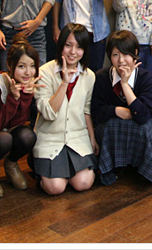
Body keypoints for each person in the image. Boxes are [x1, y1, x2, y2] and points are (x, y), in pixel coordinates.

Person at [32, 23, 99, 195]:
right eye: (68, 45)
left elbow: (86, 111)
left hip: (77, 138)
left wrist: (92, 138)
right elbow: (48, 113)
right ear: (61, 45)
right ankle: (47, 171)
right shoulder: (44, 72)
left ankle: (65, 170)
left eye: (79, 47)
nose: (73, 52)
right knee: (55, 188)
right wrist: (64, 83)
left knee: (83, 183)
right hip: (50, 138)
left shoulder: (89, 76)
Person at [0, 33, 41, 198]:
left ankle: (11, 164)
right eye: (22, 66)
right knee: (3, 138)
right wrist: (13, 98)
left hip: (5, 131)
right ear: (10, 65)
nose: (28, 72)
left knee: (27, 135)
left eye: (32, 66)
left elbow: (17, 123)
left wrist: (24, 96)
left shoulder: (25, 85)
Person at [91, 30, 152, 185]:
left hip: (142, 126)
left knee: (144, 129)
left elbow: (143, 116)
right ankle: (112, 168)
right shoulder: (101, 77)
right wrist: (116, 111)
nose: (121, 60)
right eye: (116, 55)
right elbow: (95, 112)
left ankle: (143, 170)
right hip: (112, 127)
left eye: (126, 54)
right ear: (109, 56)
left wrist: (124, 84)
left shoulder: (147, 77)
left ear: (135, 53)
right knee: (109, 127)